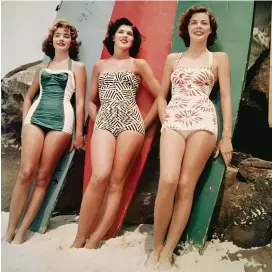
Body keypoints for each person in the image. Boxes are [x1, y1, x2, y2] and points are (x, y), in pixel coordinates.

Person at [146, 6, 233, 269]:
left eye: (203, 23)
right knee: (168, 180)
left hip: (204, 121)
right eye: (194, 22)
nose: (198, 26)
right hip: (174, 119)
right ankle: (157, 245)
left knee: (186, 185)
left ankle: (168, 251)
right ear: (187, 28)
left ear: (210, 29)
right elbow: (162, 96)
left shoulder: (219, 58)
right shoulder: (174, 58)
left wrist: (226, 135)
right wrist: (166, 120)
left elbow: (226, 97)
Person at [71, 17, 160, 249]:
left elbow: (161, 95)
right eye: (121, 32)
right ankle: (79, 237)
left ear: (133, 40)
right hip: (105, 120)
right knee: (100, 175)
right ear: (112, 36)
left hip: (132, 122)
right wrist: (96, 115)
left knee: (117, 181)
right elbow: (91, 100)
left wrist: (144, 122)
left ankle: (94, 239)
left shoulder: (138, 65)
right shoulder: (100, 66)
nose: (125, 36)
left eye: (129, 34)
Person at [3, 19, 86, 244]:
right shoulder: (43, 68)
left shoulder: (77, 67)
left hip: (62, 122)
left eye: (66, 36)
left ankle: (23, 232)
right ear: (52, 39)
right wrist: (26, 123)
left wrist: (79, 133)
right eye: (58, 35)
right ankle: (11, 228)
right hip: (36, 119)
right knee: (26, 172)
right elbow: (29, 97)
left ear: (71, 42)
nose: (62, 39)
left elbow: (80, 103)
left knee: (42, 177)